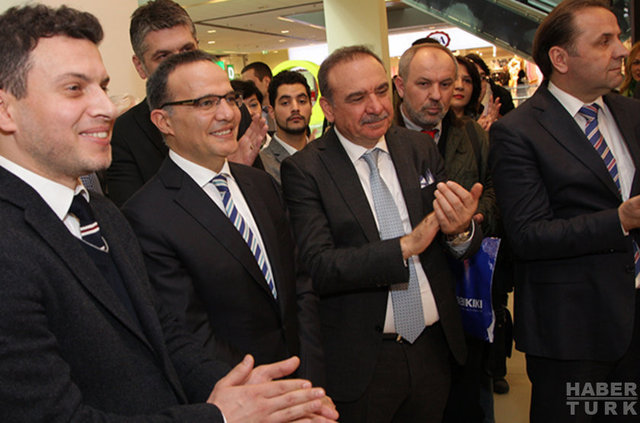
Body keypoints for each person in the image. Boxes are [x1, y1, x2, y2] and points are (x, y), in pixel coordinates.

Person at [0, 4, 338, 422]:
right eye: (74, 88)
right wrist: (220, 417)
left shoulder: (102, 214)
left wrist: (271, 400)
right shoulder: (11, 243)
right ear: (6, 109)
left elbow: (168, 339)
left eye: (102, 86)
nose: (106, 107)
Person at [281, 45, 483, 423]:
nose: (375, 107)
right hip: (366, 361)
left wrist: (460, 231)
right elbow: (319, 265)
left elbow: (453, 241)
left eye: (380, 91)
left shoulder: (418, 147)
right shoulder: (306, 170)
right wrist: (406, 247)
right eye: (357, 98)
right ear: (328, 109)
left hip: (433, 348)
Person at [122, 50, 325, 387]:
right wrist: (267, 396)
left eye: (229, 99)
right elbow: (190, 335)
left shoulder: (261, 185)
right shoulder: (146, 216)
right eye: (205, 103)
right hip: (238, 395)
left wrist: (310, 380)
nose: (228, 114)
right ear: (163, 121)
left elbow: (300, 287)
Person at [490, 1, 640, 421]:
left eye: (619, 37)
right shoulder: (518, 132)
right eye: (604, 41)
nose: (622, 50)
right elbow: (529, 235)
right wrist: (620, 220)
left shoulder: (631, 113)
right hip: (575, 333)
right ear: (560, 58)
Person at [392, 42, 498, 422]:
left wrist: (470, 221)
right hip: (403, 299)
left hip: (463, 293)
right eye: (424, 84)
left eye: (446, 84)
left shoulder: (472, 136)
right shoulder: (379, 136)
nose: (437, 95)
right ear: (400, 86)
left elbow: (493, 192)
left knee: (464, 403)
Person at [106, 0, 266, 207]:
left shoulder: (233, 111)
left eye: (187, 51)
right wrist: (220, 173)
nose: (181, 65)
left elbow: (265, 206)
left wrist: (239, 175)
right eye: (164, 57)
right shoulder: (124, 134)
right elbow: (135, 218)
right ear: (140, 66)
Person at [260, 70, 313, 185]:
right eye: (285, 103)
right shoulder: (263, 163)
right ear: (272, 111)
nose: (295, 108)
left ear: (311, 106)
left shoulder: (323, 155)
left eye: (302, 101)